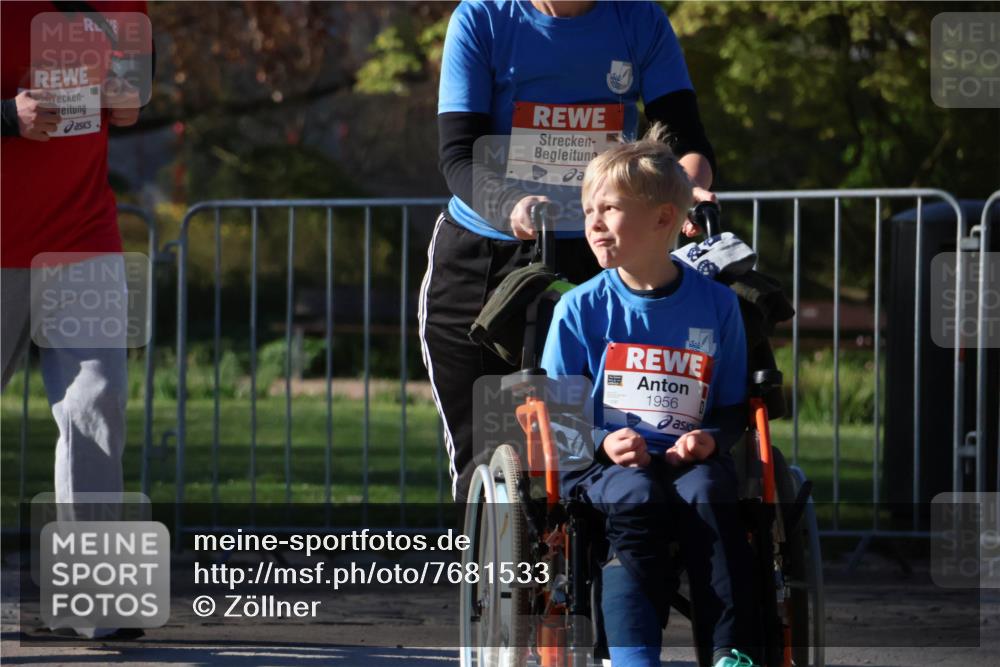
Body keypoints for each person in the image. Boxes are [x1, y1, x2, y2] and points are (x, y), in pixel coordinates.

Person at [421, 0, 718, 502]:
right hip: (488, 257)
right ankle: (502, 561)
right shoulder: (483, 18)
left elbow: (685, 140)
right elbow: (459, 153)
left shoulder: (638, 20)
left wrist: (684, 192)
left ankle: (598, 560)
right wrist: (510, 205)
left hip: (600, 257)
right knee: (489, 457)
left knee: (591, 444)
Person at [540, 124, 758, 667]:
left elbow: (733, 408)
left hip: (688, 460)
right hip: (600, 462)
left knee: (711, 495)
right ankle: (632, 657)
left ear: (663, 218)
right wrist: (602, 442)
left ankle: (731, 654)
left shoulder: (717, 306)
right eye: (588, 209)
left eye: (609, 209)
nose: (592, 223)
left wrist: (710, 440)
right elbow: (555, 414)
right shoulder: (580, 309)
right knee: (634, 498)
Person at [1, 0, 150, 638]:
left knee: (99, 402)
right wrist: (8, 116)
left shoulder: (126, 5)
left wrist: (128, 100)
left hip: (84, 235)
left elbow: (137, 94)